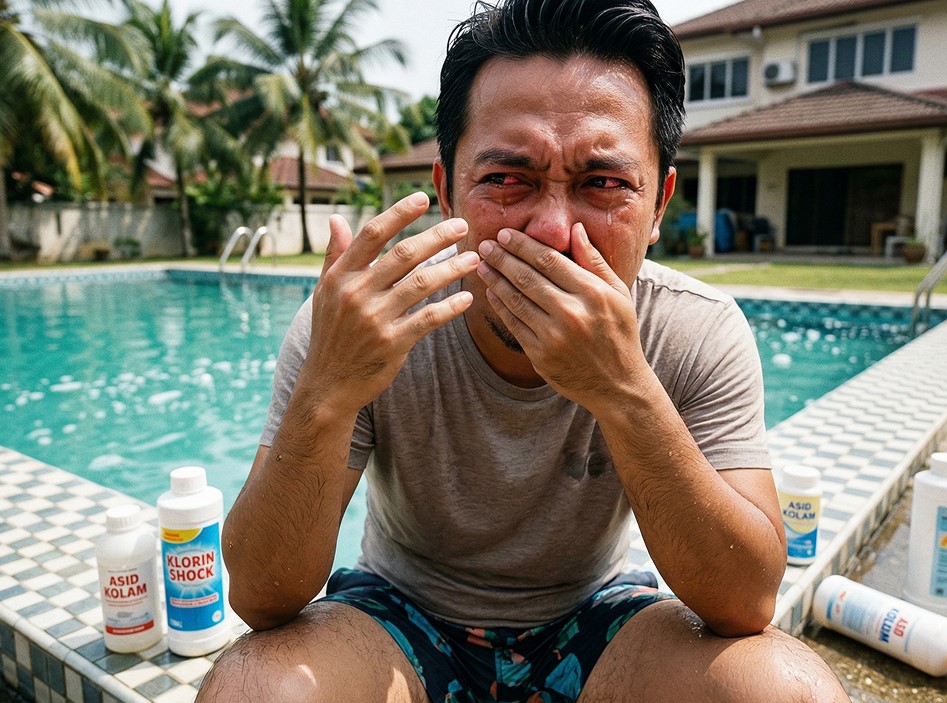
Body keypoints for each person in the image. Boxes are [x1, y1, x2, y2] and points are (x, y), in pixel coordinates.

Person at [197, 0, 850, 700]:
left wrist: (623, 386)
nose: (552, 227)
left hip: (597, 618)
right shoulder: (365, 325)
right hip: (397, 616)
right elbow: (263, 597)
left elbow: (746, 601)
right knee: (256, 687)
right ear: (447, 189)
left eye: (602, 183)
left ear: (659, 205)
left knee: (783, 689)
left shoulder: (693, 328)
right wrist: (326, 393)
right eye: (509, 178)